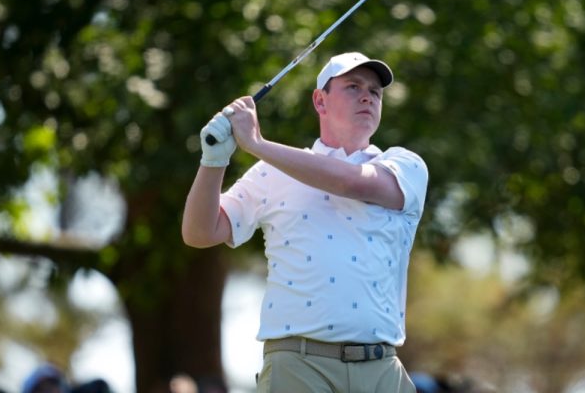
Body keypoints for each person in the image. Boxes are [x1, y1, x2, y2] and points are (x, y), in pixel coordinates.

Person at [182, 51, 429, 392]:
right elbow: (199, 232)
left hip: (382, 369)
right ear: (320, 100)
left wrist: (256, 144)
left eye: (375, 91)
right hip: (298, 366)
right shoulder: (271, 173)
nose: (367, 96)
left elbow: (351, 182)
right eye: (353, 86)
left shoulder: (405, 165)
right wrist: (213, 161)